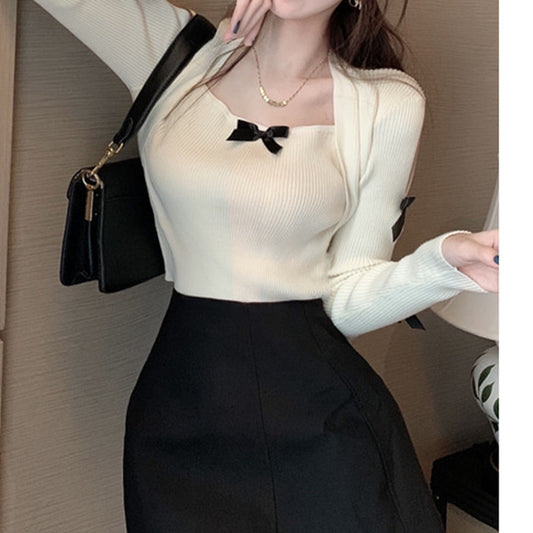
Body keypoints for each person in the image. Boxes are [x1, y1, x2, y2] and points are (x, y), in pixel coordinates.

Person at [31, 1, 499, 531]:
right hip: (181, 412)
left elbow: (345, 297)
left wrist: (441, 265)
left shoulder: (387, 103)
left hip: (321, 422)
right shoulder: (175, 55)